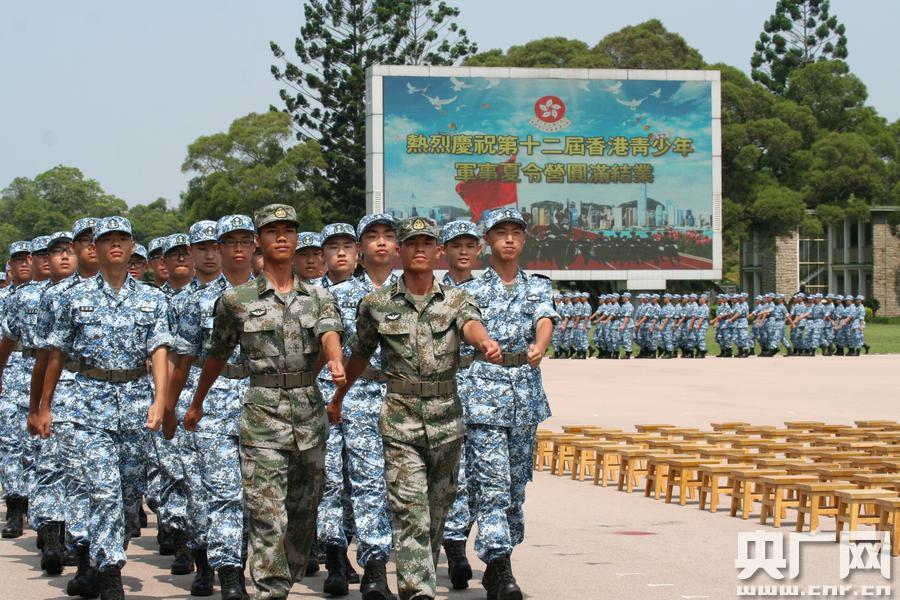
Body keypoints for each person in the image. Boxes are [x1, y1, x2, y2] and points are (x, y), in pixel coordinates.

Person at [329, 216, 501, 600]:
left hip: (446, 421)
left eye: (426, 242)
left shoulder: (456, 299)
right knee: (410, 511)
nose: (419, 248)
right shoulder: (376, 304)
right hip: (400, 420)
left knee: (437, 512)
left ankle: (420, 567)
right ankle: (417, 590)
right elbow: (359, 354)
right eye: (411, 243)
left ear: (437, 251)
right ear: (401, 251)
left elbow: (471, 325)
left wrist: (484, 342)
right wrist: (339, 396)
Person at [195, 204, 346, 600]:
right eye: (272, 230)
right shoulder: (236, 300)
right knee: (267, 516)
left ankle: (284, 574)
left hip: (309, 413)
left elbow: (330, 331)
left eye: (288, 230)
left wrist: (334, 359)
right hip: (262, 414)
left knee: (302, 513)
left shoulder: (319, 295)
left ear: (296, 239)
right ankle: (270, 590)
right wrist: (196, 402)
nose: (281, 236)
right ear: (259, 240)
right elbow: (217, 353)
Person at [40, 216, 172, 599]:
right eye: (106, 240)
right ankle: (111, 572)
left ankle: (92, 563)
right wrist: (44, 406)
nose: (115, 245)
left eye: (122, 239)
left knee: (129, 498)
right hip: (85, 401)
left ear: (132, 249)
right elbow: (55, 355)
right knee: (103, 490)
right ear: (94, 249)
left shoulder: (152, 299)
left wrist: (160, 400)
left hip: (133, 400)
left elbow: (159, 351)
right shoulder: (72, 298)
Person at [456, 207, 556, 600]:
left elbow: (545, 317)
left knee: (516, 487)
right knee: (492, 484)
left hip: (525, 395)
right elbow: (470, 322)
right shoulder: (473, 289)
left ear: (524, 240)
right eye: (501, 233)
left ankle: (503, 554)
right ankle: (499, 566)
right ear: (488, 241)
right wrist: (483, 341)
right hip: (484, 394)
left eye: (516, 233)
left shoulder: (538, 285)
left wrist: (540, 346)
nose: (509, 239)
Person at [170, 214, 256, 599]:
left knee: (258, 495)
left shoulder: (273, 293)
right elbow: (182, 358)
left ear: (254, 245)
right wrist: (171, 406)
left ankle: (238, 559)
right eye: (228, 242)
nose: (237, 249)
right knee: (214, 491)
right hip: (209, 402)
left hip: (262, 400)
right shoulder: (193, 300)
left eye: (244, 241)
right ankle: (224, 572)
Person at [324, 213, 402, 599]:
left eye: (389, 236)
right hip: (355, 395)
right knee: (361, 483)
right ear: (360, 249)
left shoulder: (415, 292)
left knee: (400, 486)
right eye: (373, 237)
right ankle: (368, 567)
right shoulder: (337, 296)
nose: (382, 242)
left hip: (405, 399)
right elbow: (328, 343)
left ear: (398, 247)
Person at [32, 218, 102, 596]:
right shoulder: (55, 297)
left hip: (118, 399)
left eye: (98, 240)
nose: (92, 247)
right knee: (75, 478)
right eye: (84, 241)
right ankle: (86, 558)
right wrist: (39, 406)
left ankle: (102, 556)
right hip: (71, 396)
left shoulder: (132, 292)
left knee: (115, 489)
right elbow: (45, 358)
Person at [1, 231, 76, 576]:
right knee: (39, 456)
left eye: (65, 251)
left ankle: (77, 538)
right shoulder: (27, 297)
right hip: (31, 371)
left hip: (79, 384)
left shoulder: (88, 292)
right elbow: (9, 338)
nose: (56, 258)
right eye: (50, 253)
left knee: (76, 465)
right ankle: (49, 532)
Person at [314, 221, 360, 594]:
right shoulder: (308, 296)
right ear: (322, 255)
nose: (340, 252)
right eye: (333, 247)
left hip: (367, 397)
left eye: (347, 246)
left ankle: (349, 544)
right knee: (329, 481)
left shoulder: (379, 295)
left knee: (360, 483)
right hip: (320, 399)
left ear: (357, 252)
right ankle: (333, 555)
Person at [438, 219, 480, 589]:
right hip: (444, 388)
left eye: (469, 245)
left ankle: (464, 542)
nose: (463, 251)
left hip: (484, 392)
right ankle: (454, 550)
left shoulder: (490, 291)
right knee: (454, 475)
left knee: (481, 477)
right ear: (444, 250)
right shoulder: (432, 290)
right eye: (456, 245)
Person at [0, 239, 34, 539]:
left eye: (28, 258)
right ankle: (14, 505)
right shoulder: (2, 300)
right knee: (11, 445)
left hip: (40, 371)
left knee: (39, 447)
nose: (24, 263)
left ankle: (41, 508)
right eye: (18, 259)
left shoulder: (45, 296)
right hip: (10, 377)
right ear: (10, 265)